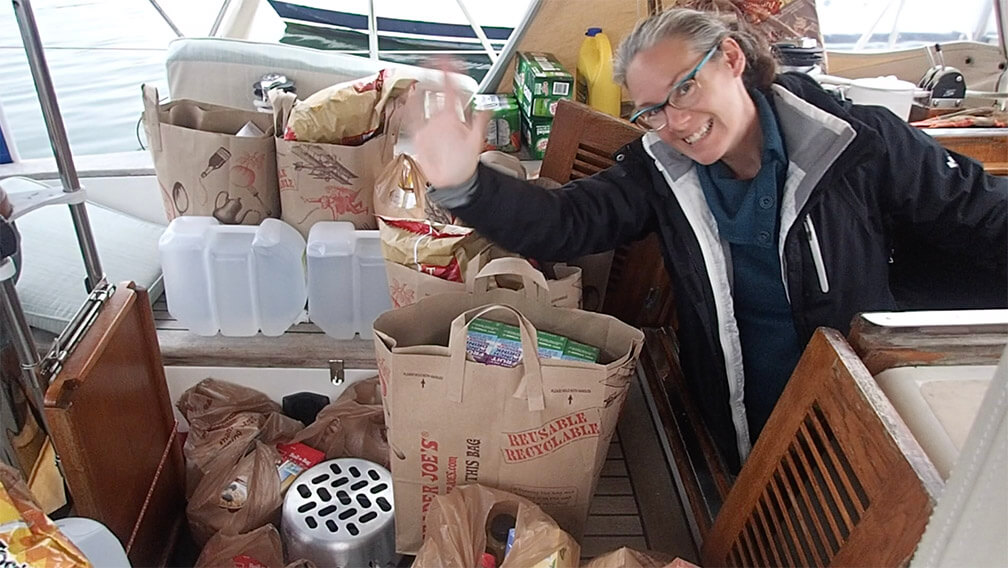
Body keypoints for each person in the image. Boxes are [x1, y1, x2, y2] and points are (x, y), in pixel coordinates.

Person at [410, 8, 1008, 471]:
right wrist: (466, 184)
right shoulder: (661, 172)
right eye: (651, 112)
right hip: (731, 417)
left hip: (855, 417)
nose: (675, 123)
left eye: (684, 89)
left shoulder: (860, 144)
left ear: (730, 58)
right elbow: (567, 223)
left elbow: (984, 218)